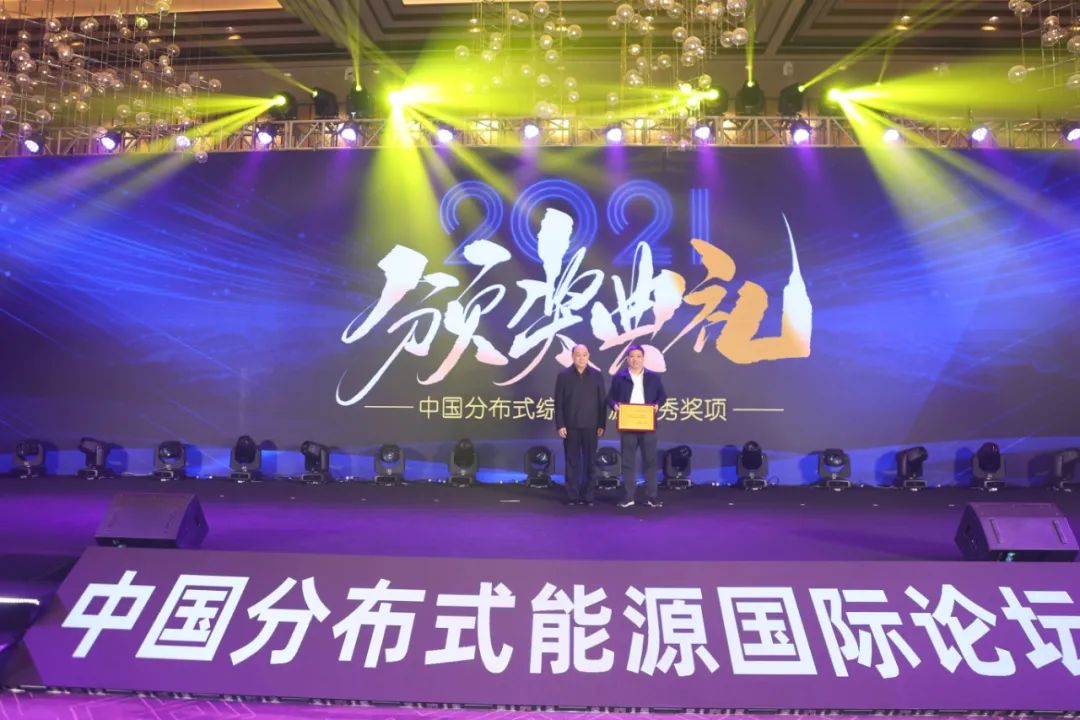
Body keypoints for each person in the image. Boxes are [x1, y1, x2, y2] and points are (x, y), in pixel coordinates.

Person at [606, 343, 667, 508]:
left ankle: (652, 496)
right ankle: (629, 496)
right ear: (627, 359)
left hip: (647, 425)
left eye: (638, 356)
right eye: (632, 357)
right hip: (628, 425)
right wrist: (615, 406)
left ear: (643, 358)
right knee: (627, 462)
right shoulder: (619, 377)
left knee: (650, 461)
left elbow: (662, 396)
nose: (635, 360)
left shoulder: (653, 377)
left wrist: (657, 405)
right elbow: (610, 398)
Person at [554, 344, 606, 506]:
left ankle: (588, 496)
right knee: (572, 462)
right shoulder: (563, 376)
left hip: (591, 426)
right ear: (572, 356)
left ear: (588, 356)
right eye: (578, 354)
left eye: (584, 354)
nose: (581, 358)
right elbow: (558, 403)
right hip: (570, 426)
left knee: (590, 462)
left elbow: (602, 402)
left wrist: (602, 424)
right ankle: (572, 496)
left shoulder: (597, 375)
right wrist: (560, 424)